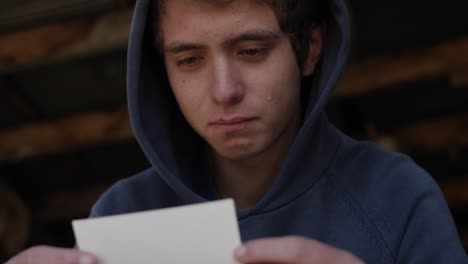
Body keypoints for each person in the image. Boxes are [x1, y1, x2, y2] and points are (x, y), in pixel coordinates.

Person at [7, 0, 468, 263]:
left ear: (310, 50)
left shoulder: (398, 198)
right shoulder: (120, 217)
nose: (223, 91)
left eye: (250, 51)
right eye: (189, 60)